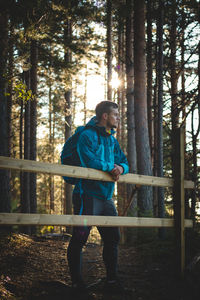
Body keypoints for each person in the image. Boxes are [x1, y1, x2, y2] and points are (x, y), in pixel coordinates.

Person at [67, 101, 129, 293]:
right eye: (116, 115)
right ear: (105, 116)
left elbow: (124, 162)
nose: (118, 118)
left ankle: (111, 281)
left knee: (112, 238)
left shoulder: (112, 139)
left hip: (106, 198)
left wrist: (120, 168)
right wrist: (109, 167)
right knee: (79, 238)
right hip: (87, 196)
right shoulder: (86, 135)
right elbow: (89, 160)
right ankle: (77, 284)